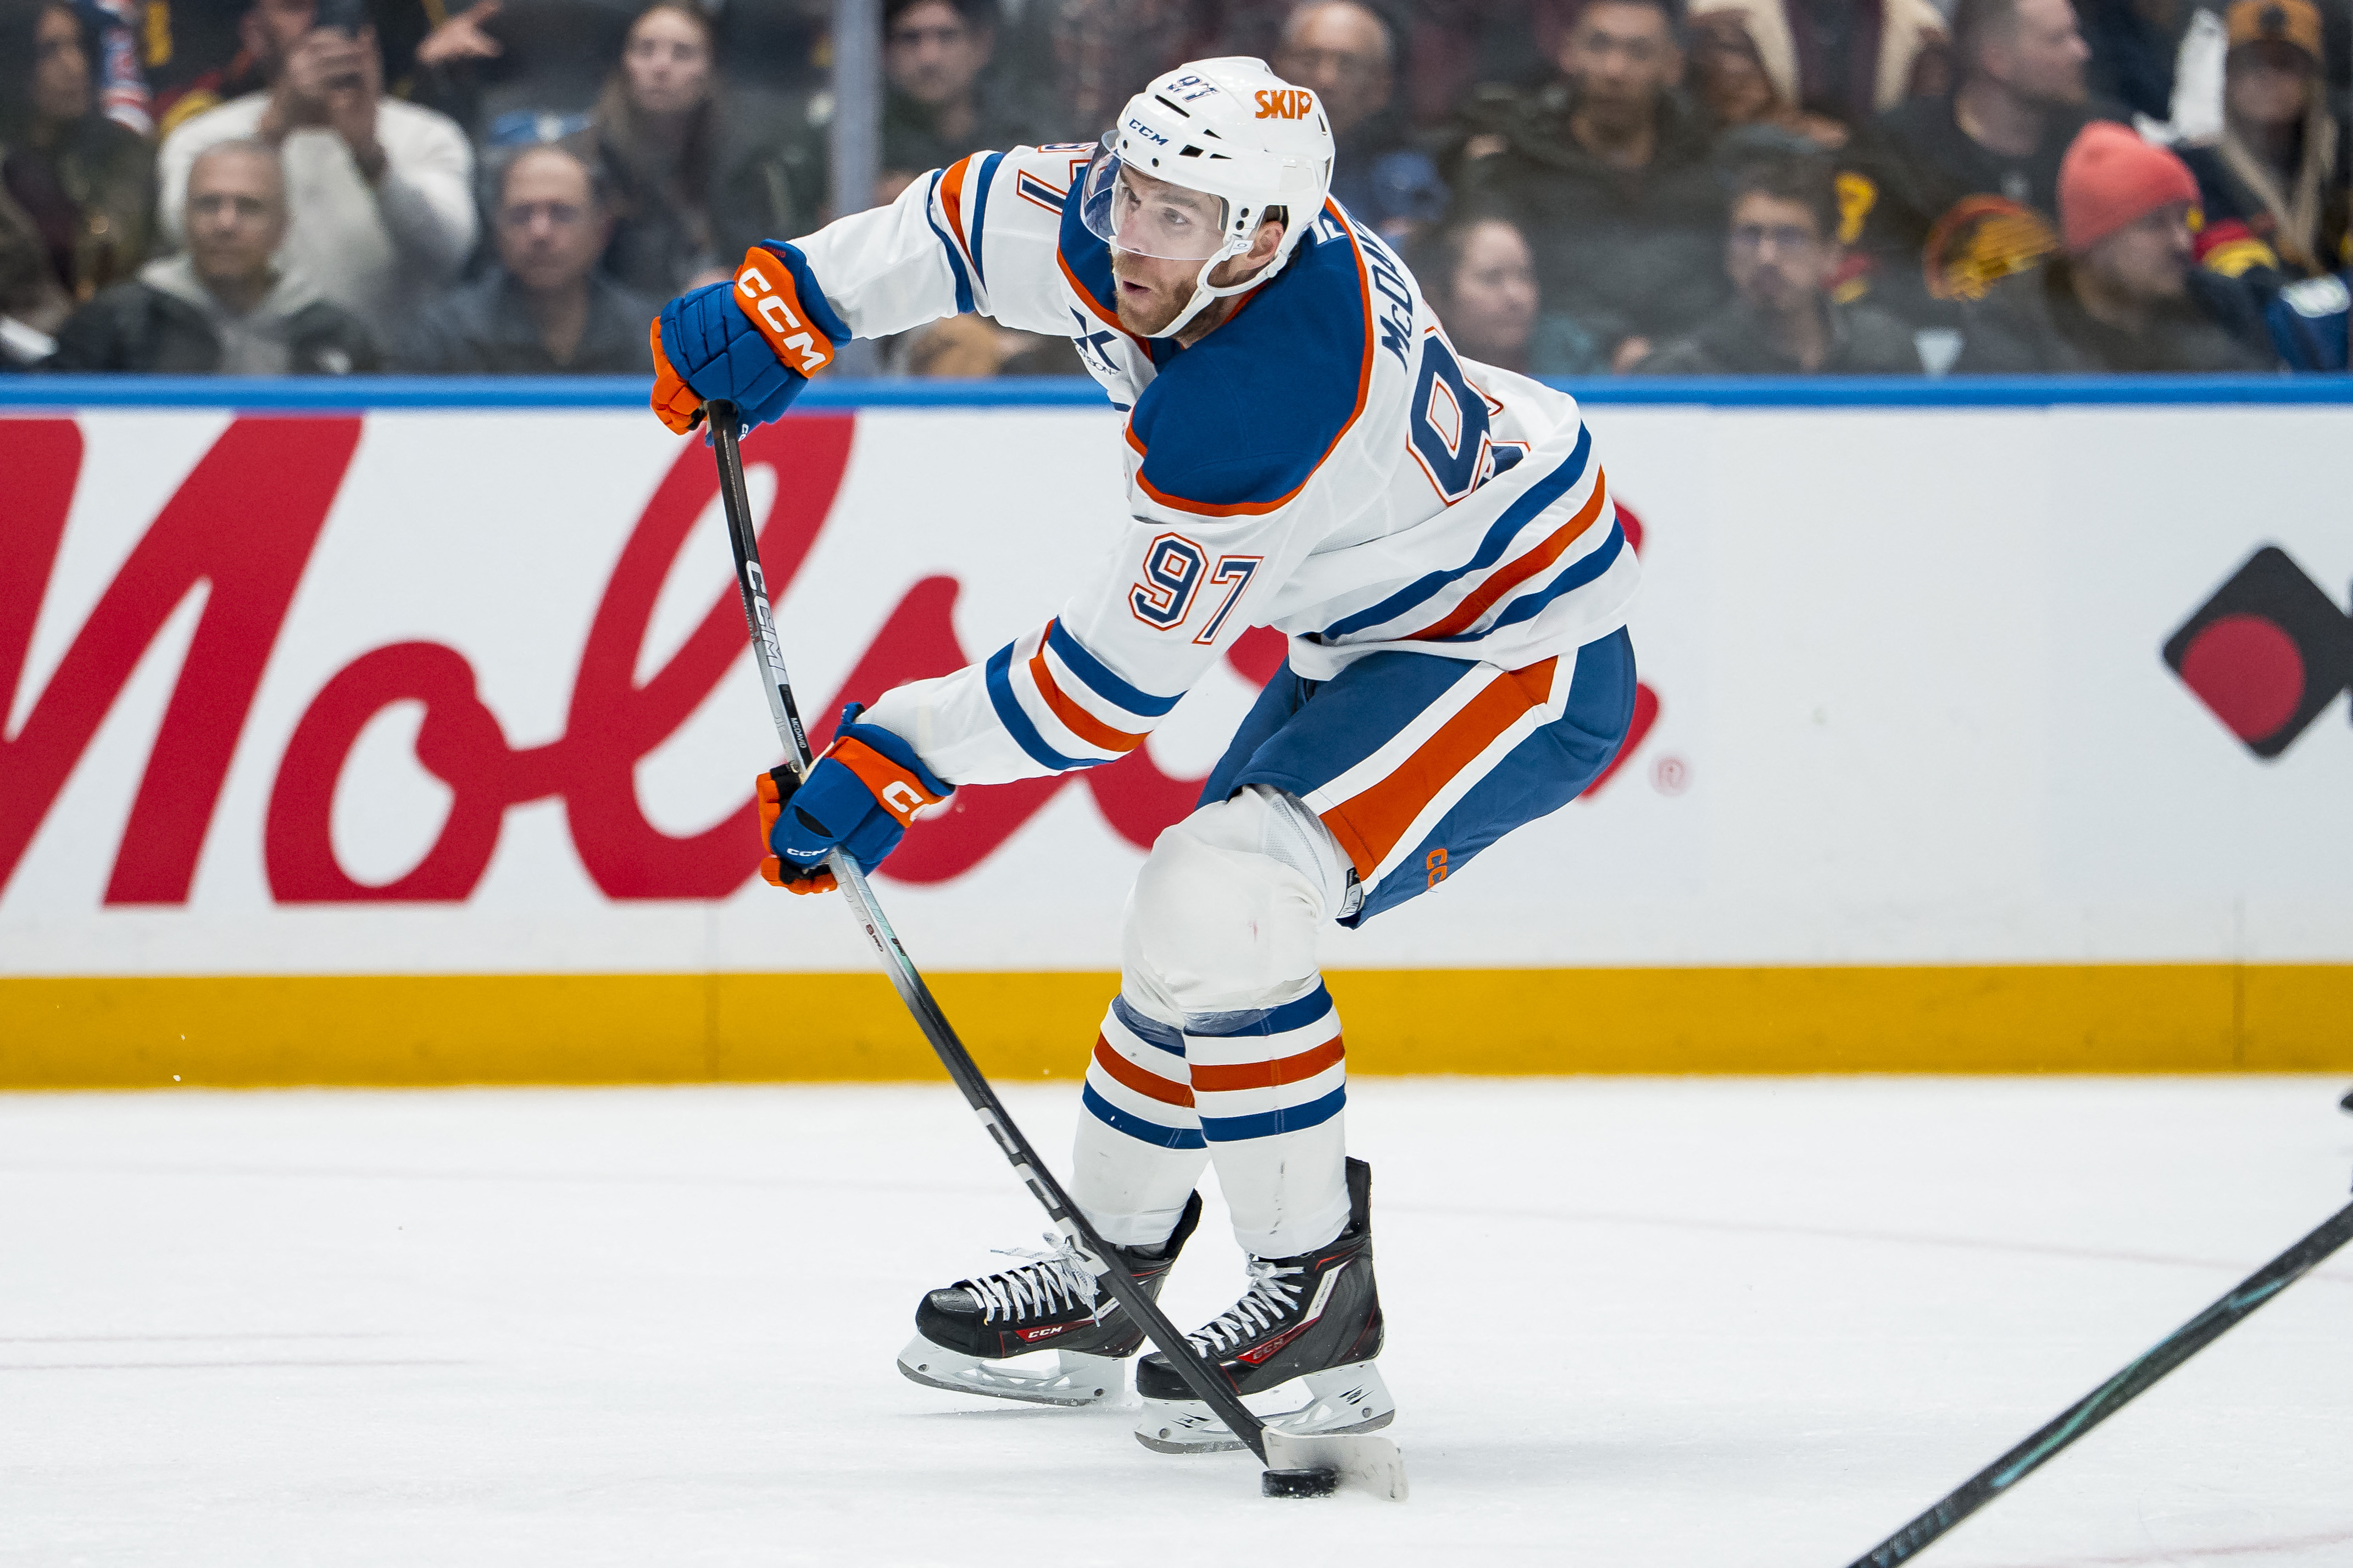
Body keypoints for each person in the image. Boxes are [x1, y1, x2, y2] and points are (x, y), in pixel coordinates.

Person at [647, 57, 1640, 1453]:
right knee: (1188, 928)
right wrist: (792, 298)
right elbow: (955, 220)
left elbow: (1108, 688)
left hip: (1506, 643)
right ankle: (1111, 1277)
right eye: (1133, 193)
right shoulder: (1131, 222)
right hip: (1374, 607)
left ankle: (1316, 1312)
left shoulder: (1265, 393)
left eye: (1178, 220)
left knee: (1220, 900)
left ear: (1258, 240)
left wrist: (901, 753)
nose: (1131, 240)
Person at [157, 0, 475, 342]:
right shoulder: (202, 139)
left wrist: (370, 156)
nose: (318, 24)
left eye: (333, 7)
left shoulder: (427, 136)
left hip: (386, 378)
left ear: (367, 34)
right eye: (296, 7)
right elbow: (180, 234)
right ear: (255, 34)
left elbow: (449, 255)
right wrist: (274, 129)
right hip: (243, 376)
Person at [1455, 0, 1730, 370]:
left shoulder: (1709, 166)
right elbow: (1499, 290)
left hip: (1699, 371)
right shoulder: (1517, 163)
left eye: (1638, 52)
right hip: (1553, 373)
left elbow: (1729, 287)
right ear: (1568, 52)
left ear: (1672, 67)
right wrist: (1606, 343)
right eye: (1599, 46)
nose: (1614, 70)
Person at [1847, 0, 2118, 315]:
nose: (2081, 52)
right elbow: (1856, 280)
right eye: (2058, 39)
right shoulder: (1896, 148)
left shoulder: (2104, 142)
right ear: (1996, 59)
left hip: (2074, 355)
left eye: (2077, 35)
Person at [1957, 120, 2277, 369]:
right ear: (2093, 242)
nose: (2182, 242)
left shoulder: (2220, 308)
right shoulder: (2013, 324)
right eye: (2154, 225)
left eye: (2184, 220)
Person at [48, 137, 379, 372]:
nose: (225, 223)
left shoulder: (333, 335)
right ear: (184, 218)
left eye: (248, 207)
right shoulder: (115, 324)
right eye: (208, 204)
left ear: (282, 228)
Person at [1636, 150, 1923, 371]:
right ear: (1727, 254)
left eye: (1790, 238)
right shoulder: (1683, 370)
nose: (1766, 257)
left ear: (1831, 255)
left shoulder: (1884, 354)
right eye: (1750, 236)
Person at [397, 143, 655, 373]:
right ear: (498, 230)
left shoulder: (654, 341)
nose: (540, 233)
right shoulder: (444, 339)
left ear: (602, 230)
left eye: (562, 214)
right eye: (521, 215)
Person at [0, 0, 155, 353]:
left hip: (122, 354)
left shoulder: (125, 156)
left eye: (79, 46)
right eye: (49, 52)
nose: (75, 66)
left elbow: (150, 264)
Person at [2182, 0, 2348, 279]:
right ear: (2228, 77)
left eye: (2284, 64)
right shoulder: (2198, 172)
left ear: (2312, 81)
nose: (2267, 78)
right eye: (2251, 63)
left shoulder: (2340, 162)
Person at [1272, 0, 1447, 239]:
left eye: (1347, 66)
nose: (1326, 80)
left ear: (1380, 87)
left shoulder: (1405, 182)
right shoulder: (1234, 156)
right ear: (1278, 69)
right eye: (1309, 60)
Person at [1685, 0, 1950, 132]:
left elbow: (1924, 137)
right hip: (1757, 179)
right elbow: (1738, 119)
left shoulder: (1924, 29)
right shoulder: (1724, 13)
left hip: (1880, 187)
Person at [1415, 213, 1607, 372]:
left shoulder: (1570, 353)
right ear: (1437, 297)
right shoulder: (1413, 369)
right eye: (1491, 278)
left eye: (1524, 275)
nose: (1515, 297)